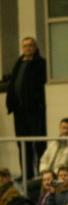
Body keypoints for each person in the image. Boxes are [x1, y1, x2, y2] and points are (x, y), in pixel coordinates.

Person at [5, 36, 47, 180]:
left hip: (34, 110)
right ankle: (26, 175)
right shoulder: (18, 63)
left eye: (30, 45)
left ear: (35, 47)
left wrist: (36, 100)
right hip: (19, 110)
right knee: (22, 144)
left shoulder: (40, 63)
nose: (27, 48)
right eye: (25, 46)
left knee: (38, 144)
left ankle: (41, 174)